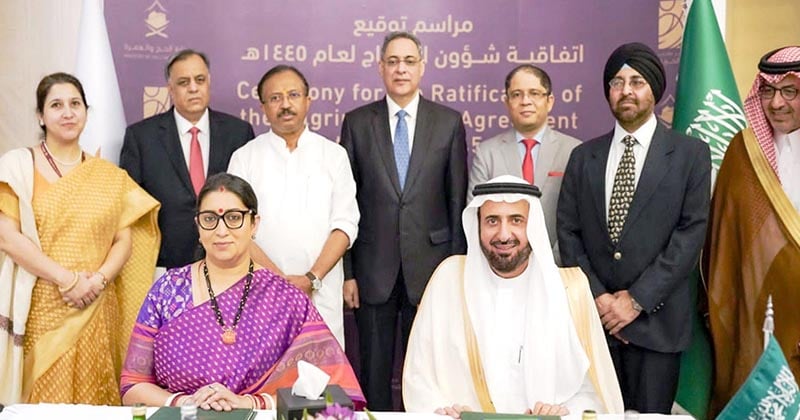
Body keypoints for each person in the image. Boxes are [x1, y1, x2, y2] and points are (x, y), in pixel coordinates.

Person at [120, 173, 365, 410]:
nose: (221, 230)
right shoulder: (168, 290)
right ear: (198, 226)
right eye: (210, 219)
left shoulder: (286, 299)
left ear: (254, 224)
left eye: (234, 217)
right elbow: (133, 385)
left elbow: (334, 392)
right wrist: (185, 403)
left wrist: (250, 403)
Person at [557, 42, 711, 413]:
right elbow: (569, 233)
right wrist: (600, 299)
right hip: (595, 326)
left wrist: (636, 300)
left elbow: (690, 235)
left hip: (657, 326)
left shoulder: (690, 154)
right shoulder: (583, 157)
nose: (626, 91)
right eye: (617, 82)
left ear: (654, 90)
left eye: (637, 82)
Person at [403, 176, 624, 417]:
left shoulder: (570, 291)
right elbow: (419, 377)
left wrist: (560, 413)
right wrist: (445, 412)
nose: (504, 234)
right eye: (492, 221)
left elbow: (593, 393)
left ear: (533, 226)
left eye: (516, 220)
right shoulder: (449, 281)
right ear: (478, 226)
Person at [0, 72, 160, 405]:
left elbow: (124, 241)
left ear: (86, 112)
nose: (68, 112)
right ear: (40, 116)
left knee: (95, 399)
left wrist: (97, 281)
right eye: (56, 105)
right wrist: (68, 280)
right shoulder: (18, 166)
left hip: (97, 303)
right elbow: (8, 238)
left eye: (75, 104)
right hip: (43, 305)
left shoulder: (109, 176)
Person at [339, 31, 468, 410]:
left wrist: (455, 272)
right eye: (393, 61)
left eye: (409, 61)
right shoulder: (357, 122)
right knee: (373, 373)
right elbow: (346, 204)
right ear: (380, 67)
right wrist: (348, 272)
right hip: (372, 270)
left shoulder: (448, 122)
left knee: (426, 375)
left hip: (431, 270)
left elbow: (457, 200)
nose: (401, 69)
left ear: (422, 67)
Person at [228, 65, 359, 348]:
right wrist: (279, 283)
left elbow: (345, 226)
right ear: (263, 107)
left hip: (320, 294)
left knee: (321, 374)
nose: (285, 104)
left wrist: (311, 279)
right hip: (261, 295)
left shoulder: (334, 155)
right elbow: (237, 230)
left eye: (293, 95)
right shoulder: (244, 158)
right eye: (275, 98)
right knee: (265, 372)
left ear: (308, 100)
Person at [707, 45, 800, 415]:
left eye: (790, 91)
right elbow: (724, 244)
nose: (776, 103)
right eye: (767, 91)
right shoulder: (744, 151)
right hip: (757, 316)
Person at [120, 49, 255, 273]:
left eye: (199, 80)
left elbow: (248, 200)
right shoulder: (142, 137)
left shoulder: (238, 132)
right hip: (164, 264)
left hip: (228, 262)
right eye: (183, 82)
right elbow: (131, 207)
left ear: (209, 82)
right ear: (170, 89)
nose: (193, 88)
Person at [468, 65, 581, 264]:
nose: (525, 101)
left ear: (549, 101)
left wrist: (552, 261)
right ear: (507, 102)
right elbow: (475, 216)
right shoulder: (487, 153)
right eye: (517, 94)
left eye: (534, 93)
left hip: (559, 266)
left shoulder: (574, 151)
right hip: (500, 265)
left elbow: (579, 218)